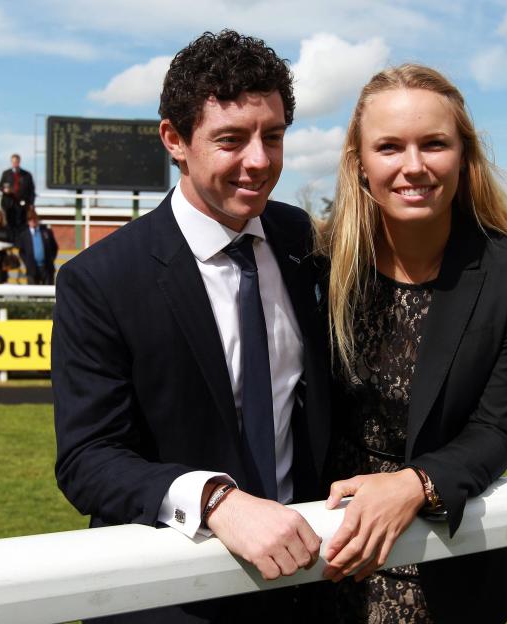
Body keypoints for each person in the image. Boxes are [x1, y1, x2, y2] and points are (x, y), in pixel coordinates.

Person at [52, 30, 330, 623]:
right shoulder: (99, 280)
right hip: (168, 600)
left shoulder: (298, 238)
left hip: (305, 586)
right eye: (231, 139)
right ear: (174, 140)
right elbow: (87, 459)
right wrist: (217, 502)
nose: (259, 160)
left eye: (273, 137)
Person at [317, 64, 507, 623]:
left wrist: (416, 484)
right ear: (360, 163)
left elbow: (498, 428)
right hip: (325, 563)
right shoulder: (318, 264)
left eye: (434, 144)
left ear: (464, 157)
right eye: (390, 147)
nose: (413, 166)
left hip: (452, 572)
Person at [16, 208, 58, 285]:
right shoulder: (24, 235)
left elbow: (54, 247)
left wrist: (50, 260)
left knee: (47, 293)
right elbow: (21, 252)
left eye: (34, 219)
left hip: (47, 268)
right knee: (33, 294)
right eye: (30, 219)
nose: (33, 221)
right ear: (28, 221)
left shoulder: (46, 232)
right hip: (32, 269)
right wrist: (28, 263)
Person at [0, 153, 35, 234]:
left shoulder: (27, 175)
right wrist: (5, 190)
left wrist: (31, 203)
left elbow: (32, 190)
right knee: (9, 224)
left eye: (17, 162)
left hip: (22, 204)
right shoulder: (6, 174)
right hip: (9, 204)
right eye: (13, 162)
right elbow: (0, 186)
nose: (15, 164)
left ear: (19, 162)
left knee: (21, 224)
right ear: (11, 162)